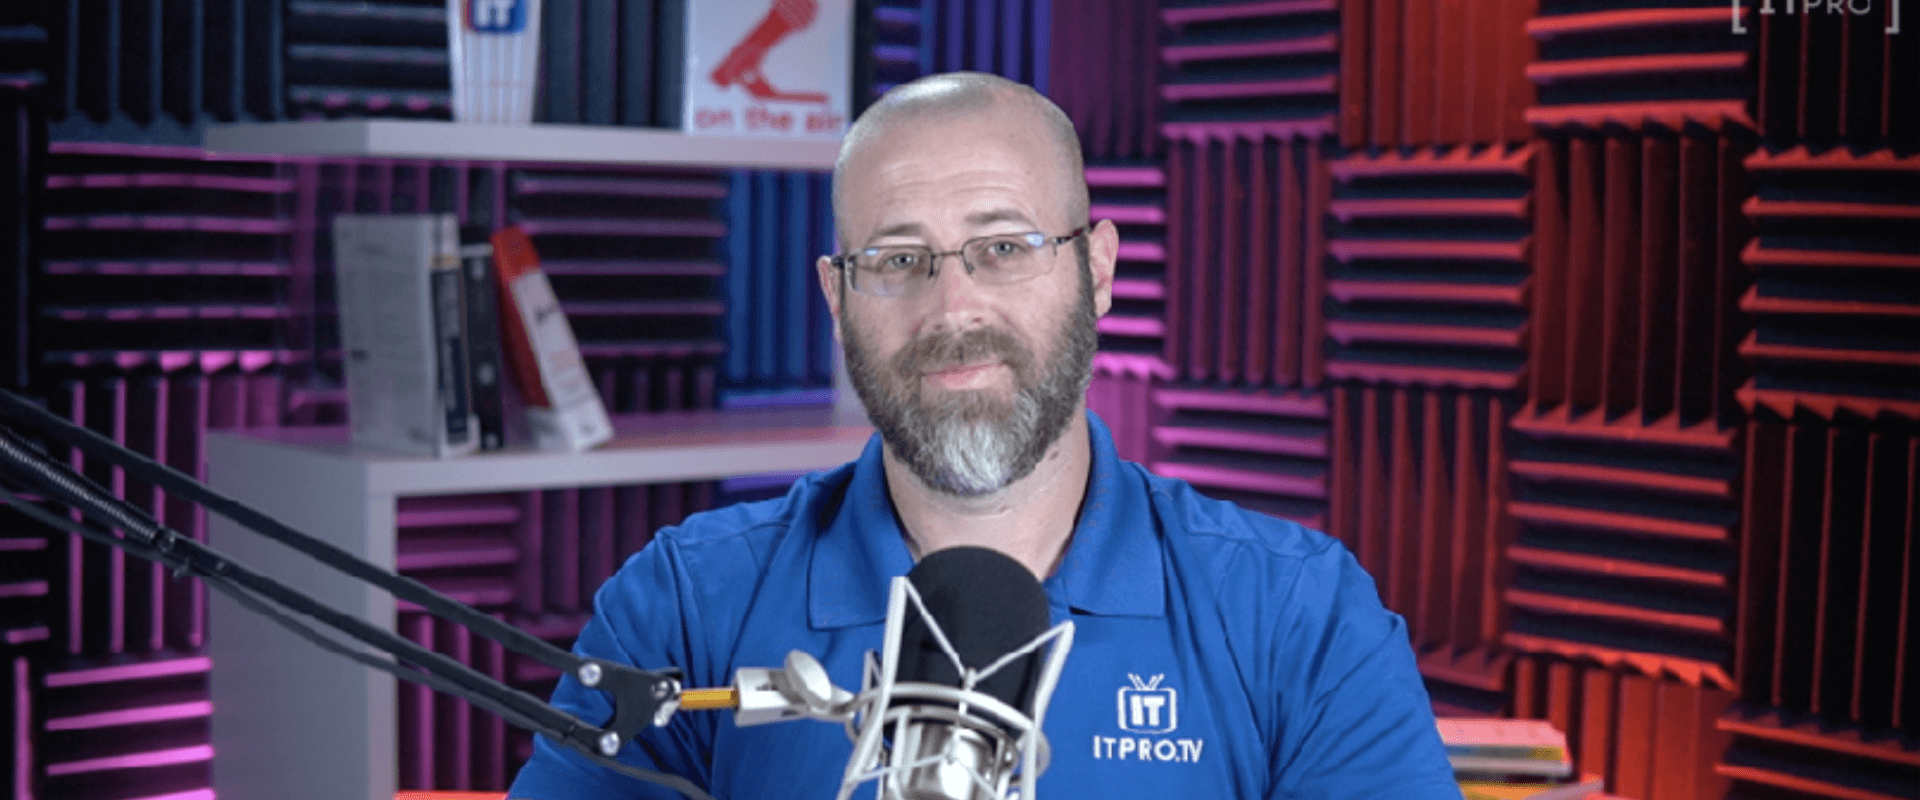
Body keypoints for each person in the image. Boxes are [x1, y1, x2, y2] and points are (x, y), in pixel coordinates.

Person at [507, 72, 1459, 799]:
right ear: (838, 299)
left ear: (1098, 268)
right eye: (897, 259)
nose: (952, 307)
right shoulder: (684, 605)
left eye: (1004, 247)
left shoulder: (1299, 616)